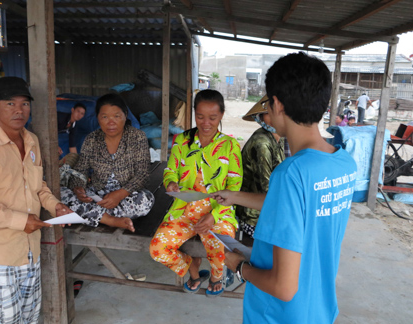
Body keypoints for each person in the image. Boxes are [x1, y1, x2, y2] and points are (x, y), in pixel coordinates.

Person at [212, 52, 357, 323]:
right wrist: (235, 197)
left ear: (277, 104)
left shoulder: (291, 173)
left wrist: (239, 267)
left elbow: (283, 287)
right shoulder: (343, 163)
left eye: (266, 103)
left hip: (279, 315)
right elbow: (297, 207)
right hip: (319, 307)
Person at [0, 76, 73, 324]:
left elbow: (37, 185)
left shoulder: (31, 141)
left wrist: (55, 205)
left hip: (29, 250)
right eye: (10, 103)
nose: (19, 110)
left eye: (24, 104)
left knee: (29, 318)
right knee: (4, 320)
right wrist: (21, 221)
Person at [149, 89, 243, 298]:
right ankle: (193, 268)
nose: (206, 123)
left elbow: (234, 186)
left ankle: (217, 277)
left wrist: (214, 215)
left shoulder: (230, 145)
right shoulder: (182, 141)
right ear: (194, 114)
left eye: (213, 117)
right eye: (200, 117)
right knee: (158, 250)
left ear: (221, 115)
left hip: (218, 210)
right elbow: (170, 170)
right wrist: (171, 182)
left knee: (220, 246)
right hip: (184, 209)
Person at [61, 93, 154, 232]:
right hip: (97, 194)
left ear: (125, 115)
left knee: (145, 200)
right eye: (105, 117)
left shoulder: (137, 137)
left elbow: (143, 174)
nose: (111, 122)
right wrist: (78, 188)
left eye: (116, 116)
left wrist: (120, 194)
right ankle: (109, 219)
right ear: (98, 118)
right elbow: (81, 169)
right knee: (60, 193)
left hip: (126, 194)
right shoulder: (92, 139)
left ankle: (88, 214)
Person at [237, 94, 285, 237]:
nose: (274, 119)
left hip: (268, 210)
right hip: (254, 217)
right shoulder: (262, 143)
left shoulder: (278, 137)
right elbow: (267, 188)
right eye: (267, 114)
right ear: (260, 117)